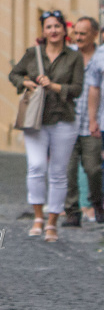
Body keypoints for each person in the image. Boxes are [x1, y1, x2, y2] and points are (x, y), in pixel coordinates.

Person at [9, 10, 84, 242]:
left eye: (57, 26)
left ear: (64, 30)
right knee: (36, 166)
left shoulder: (74, 57)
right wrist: (26, 83)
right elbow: (14, 74)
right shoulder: (33, 54)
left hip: (63, 119)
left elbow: (77, 89)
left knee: (58, 173)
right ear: (43, 31)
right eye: (49, 27)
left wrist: (54, 86)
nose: (53, 31)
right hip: (36, 120)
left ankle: (52, 222)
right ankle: (38, 217)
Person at [64, 17, 104, 226]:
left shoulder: (101, 56)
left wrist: (96, 120)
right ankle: (72, 212)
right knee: (68, 171)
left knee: (93, 168)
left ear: (94, 35)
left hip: (93, 124)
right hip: (68, 123)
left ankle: (98, 203)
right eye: (76, 33)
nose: (78, 37)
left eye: (83, 34)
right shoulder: (68, 55)